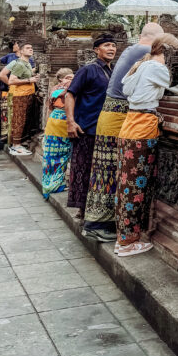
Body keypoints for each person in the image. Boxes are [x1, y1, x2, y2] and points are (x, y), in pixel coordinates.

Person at [83, 23, 164, 242]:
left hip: (112, 113)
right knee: (109, 171)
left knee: (107, 169)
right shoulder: (145, 51)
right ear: (156, 40)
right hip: (117, 115)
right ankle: (98, 224)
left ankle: (98, 222)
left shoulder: (132, 49)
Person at [115, 33, 178, 257]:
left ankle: (125, 237)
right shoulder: (156, 68)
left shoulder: (141, 65)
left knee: (127, 185)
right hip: (142, 126)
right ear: (168, 52)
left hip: (130, 124)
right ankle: (127, 242)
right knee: (135, 187)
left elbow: (125, 89)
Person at [65, 34, 117, 223]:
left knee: (101, 171)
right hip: (85, 127)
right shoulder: (88, 70)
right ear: (97, 50)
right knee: (83, 169)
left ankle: (99, 209)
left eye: (113, 45)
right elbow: (69, 95)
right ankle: (81, 209)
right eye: (106, 45)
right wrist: (70, 121)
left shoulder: (113, 72)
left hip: (106, 129)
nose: (111, 48)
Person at [0, 41, 37, 156]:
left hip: (26, 94)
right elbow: (11, 80)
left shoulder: (28, 63)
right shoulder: (19, 64)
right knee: (18, 120)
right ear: (21, 51)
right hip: (19, 95)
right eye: (28, 48)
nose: (31, 49)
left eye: (31, 47)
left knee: (23, 119)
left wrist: (33, 77)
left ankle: (18, 144)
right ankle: (15, 146)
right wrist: (30, 80)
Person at [41, 68, 74, 198]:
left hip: (53, 120)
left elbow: (49, 108)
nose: (71, 80)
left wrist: (46, 125)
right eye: (68, 77)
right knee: (62, 154)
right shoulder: (69, 88)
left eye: (72, 77)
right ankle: (56, 184)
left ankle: (49, 185)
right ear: (61, 78)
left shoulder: (54, 88)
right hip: (64, 120)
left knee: (51, 155)